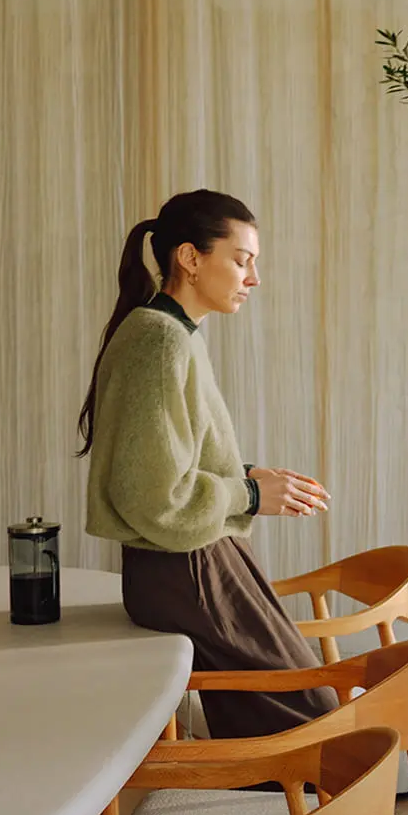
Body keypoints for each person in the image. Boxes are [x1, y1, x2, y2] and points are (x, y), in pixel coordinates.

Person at [79, 188, 338, 737]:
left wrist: (248, 478)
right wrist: (247, 495)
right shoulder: (161, 341)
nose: (253, 278)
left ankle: (282, 811)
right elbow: (152, 494)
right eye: (241, 260)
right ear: (190, 258)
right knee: (316, 719)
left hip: (194, 559)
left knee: (304, 710)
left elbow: (169, 462)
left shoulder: (172, 334)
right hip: (184, 565)